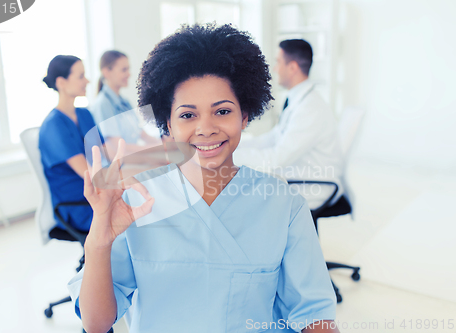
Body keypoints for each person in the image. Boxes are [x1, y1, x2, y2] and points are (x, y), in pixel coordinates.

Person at [68, 25, 340, 333]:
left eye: (222, 111)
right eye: (187, 115)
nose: (206, 128)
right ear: (166, 125)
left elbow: (314, 315)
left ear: (245, 116)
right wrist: (98, 243)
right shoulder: (135, 201)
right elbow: (96, 323)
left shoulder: (284, 206)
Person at [234, 39, 344, 209]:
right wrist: (235, 145)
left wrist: (229, 157)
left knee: (241, 194)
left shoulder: (310, 109)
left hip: (314, 185)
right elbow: (273, 138)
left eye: (278, 62)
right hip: (299, 174)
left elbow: (276, 159)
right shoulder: (299, 99)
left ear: (292, 68)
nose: (275, 69)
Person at [39, 55, 100, 232]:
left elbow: (106, 154)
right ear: (61, 82)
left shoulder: (85, 115)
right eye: (81, 76)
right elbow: (90, 174)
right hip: (78, 206)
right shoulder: (53, 126)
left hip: (97, 195)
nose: (87, 81)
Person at [90, 50, 162, 156]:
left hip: (130, 161)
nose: (129, 74)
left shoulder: (124, 102)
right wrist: (155, 149)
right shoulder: (103, 104)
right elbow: (117, 147)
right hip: (117, 166)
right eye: (124, 70)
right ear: (106, 72)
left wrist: (163, 144)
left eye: (128, 69)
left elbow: (141, 133)